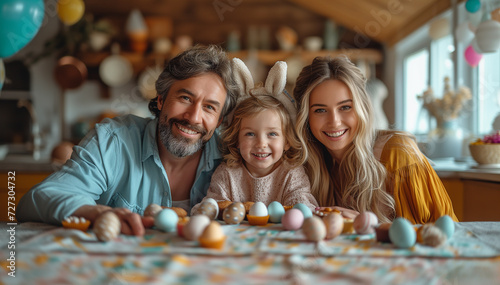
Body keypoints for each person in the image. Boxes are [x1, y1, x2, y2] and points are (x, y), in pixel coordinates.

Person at [17, 45, 239, 235]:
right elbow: (35, 200)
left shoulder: (233, 156)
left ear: (219, 121)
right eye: (185, 98)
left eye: (209, 107)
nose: (193, 117)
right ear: (161, 100)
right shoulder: (112, 141)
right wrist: (96, 212)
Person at [293, 56, 458, 224]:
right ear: (306, 118)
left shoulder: (398, 153)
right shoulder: (311, 167)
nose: (334, 121)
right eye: (320, 110)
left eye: (345, 107)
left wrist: (367, 225)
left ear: (362, 108)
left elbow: (441, 239)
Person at [191, 59, 317, 215]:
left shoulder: (291, 174)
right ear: (236, 139)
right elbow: (213, 206)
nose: (261, 144)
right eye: (250, 134)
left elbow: (303, 208)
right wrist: (206, 211)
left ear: (287, 141)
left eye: (272, 134)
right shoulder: (227, 174)